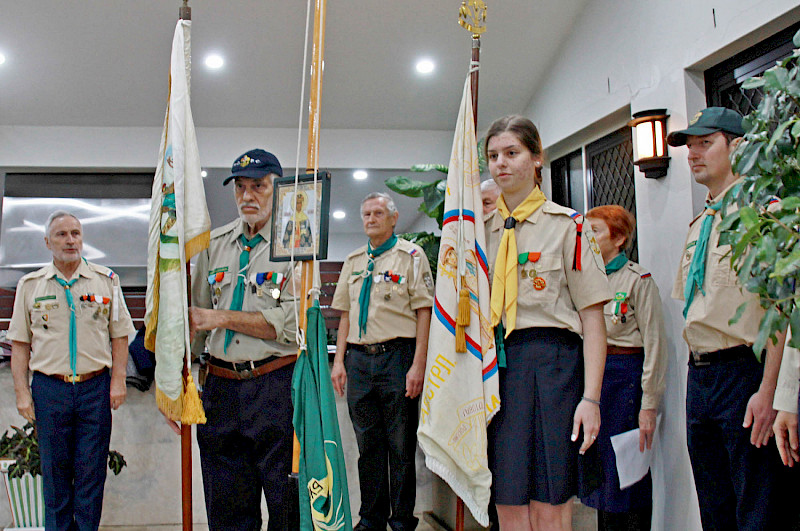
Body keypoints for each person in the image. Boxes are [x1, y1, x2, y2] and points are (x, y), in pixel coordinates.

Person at [669, 107, 798, 529]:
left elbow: (783, 310)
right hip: (701, 376)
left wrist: (771, 390)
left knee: (757, 507)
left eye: (705, 143)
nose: (693, 154)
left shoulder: (766, 216)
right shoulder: (699, 224)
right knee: (715, 506)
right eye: (690, 146)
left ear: (737, 146)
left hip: (746, 372)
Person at [484, 115, 612, 530]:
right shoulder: (477, 234)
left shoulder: (568, 227)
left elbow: (593, 320)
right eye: (493, 156)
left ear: (537, 158)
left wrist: (591, 399)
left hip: (552, 368)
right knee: (506, 498)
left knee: (549, 498)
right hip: (494, 370)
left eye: (512, 153)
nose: (501, 164)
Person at [187, 148, 299, 531]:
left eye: (259, 186)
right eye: (240, 187)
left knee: (286, 504)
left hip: (275, 385)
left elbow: (290, 324)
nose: (248, 196)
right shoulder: (212, 245)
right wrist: (180, 384)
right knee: (227, 505)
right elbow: (196, 321)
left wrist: (220, 317)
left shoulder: (296, 247)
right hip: (220, 389)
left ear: (278, 189)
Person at [8, 211, 135, 531]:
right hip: (51, 390)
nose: (70, 240)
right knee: (55, 476)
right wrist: (22, 393)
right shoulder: (31, 285)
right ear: (47, 242)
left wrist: (118, 381)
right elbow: (20, 345)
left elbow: (120, 335)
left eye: (76, 233)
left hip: (95, 389)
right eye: (62, 234)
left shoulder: (106, 280)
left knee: (92, 475)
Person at [330, 191, 433, 531]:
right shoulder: (354, 261)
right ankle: (370, 517)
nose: (371, 219)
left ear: (393, 218)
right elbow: (345, 315)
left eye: (378, 213)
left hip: (397, 358)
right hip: (359, 360)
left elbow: (424, 313)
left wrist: (418, 365)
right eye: (366, 215)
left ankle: (402, 519)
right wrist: (340, 361)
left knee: (401, 446)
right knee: (367, 447)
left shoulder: (412, 257)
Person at [580, 205, 668, 530]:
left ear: (618, 238)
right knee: (599, 476)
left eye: (596, 232)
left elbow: (655, 344)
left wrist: (649, 405)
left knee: (628, 476)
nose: (588, 238)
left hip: (625, 379)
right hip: (595, 379)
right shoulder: (585, 279)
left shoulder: (637, 280)